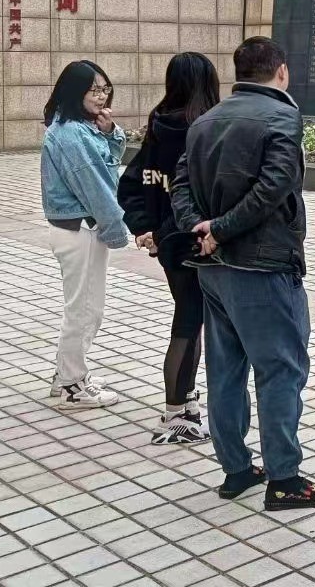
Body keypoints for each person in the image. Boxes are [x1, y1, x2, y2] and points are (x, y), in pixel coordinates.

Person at [171, 36, 315, 512]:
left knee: (225, 371)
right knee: (280, 370)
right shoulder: (283, 117)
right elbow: (274, 187)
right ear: (281, 71)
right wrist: (221, 229)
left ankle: (236, 469)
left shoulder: (205, 121)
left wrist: (200, 228)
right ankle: (284, 479)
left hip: (212, 270)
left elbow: (180, 185)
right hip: (262, 268)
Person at [118, 51, 221, 445]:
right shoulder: (202, 129)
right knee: (188, 323)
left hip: (169, 245)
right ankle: (175, 414)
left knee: (189, 319)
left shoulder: (158, 124)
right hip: (194, 242)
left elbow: (132, 182)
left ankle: (186, 399)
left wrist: (145, 228)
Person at [40, 59, 132, 409]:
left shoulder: (79, 127)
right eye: (93, 89)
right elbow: (97, 187)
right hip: (79, 230)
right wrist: (118, 230)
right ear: (74, 91)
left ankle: (66, 374)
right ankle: (72, 385)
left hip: (82, 229)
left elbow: (106, 168)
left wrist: (110, 133)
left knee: (87, 308)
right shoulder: (70, 134)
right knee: (84, 310)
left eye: (104, 88)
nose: (101, 95)